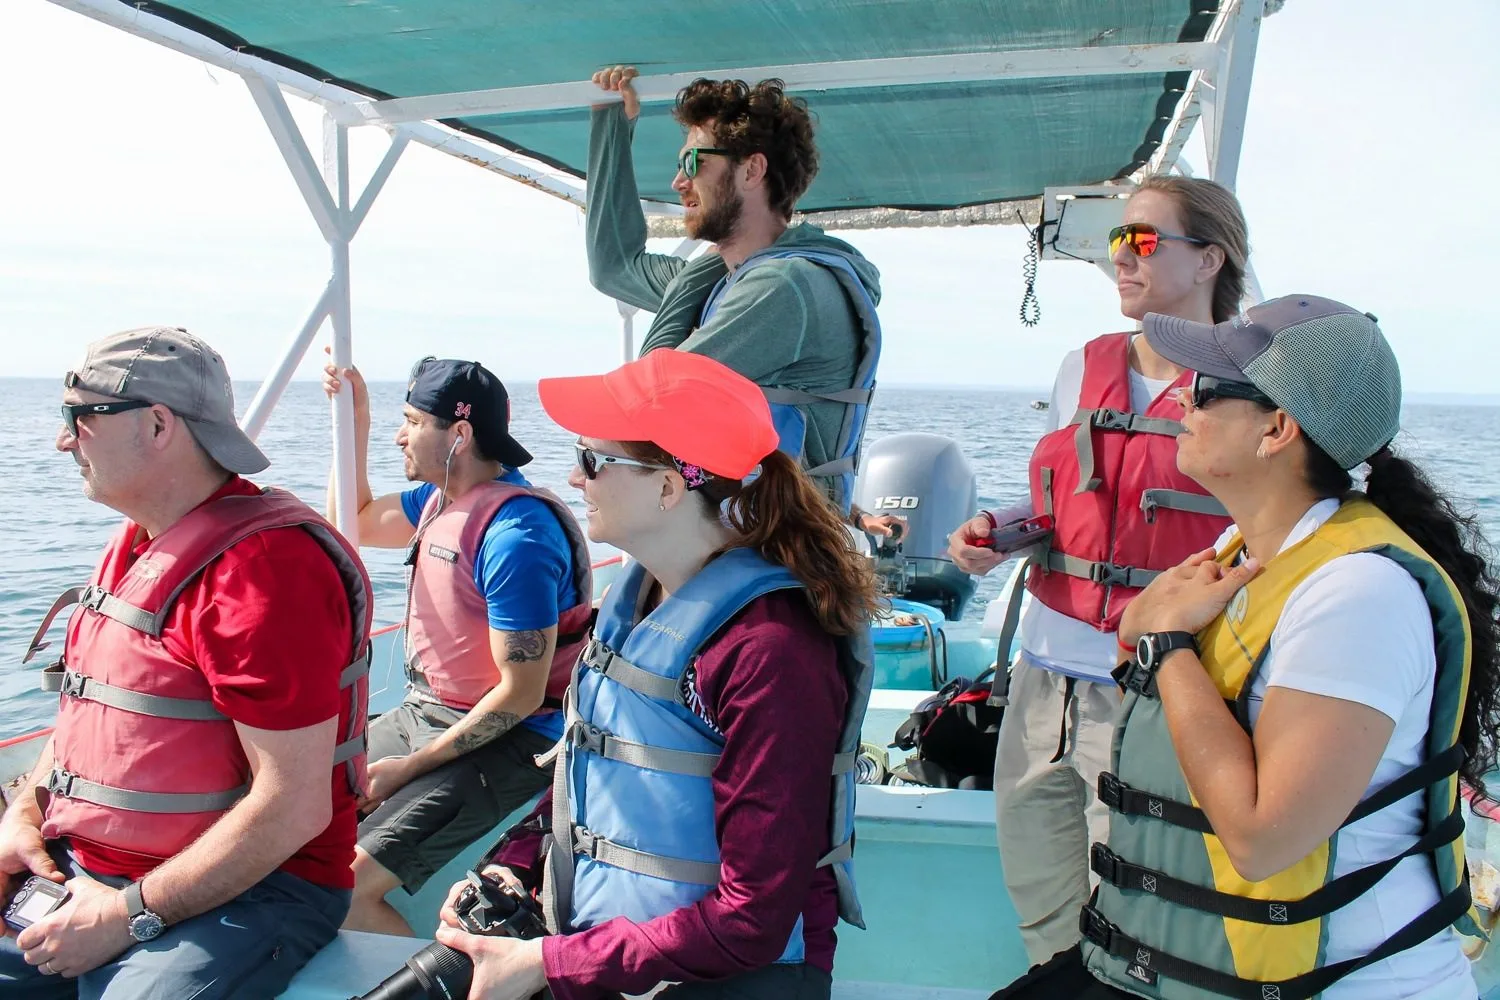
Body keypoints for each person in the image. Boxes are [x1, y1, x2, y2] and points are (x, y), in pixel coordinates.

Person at [995, 295, 1497, 1000]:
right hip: (1195, 973)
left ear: (1277, 429)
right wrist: (1147, 636)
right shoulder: (1238, 553)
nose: (1180, 407)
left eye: (1205, 392)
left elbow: (1265, 839)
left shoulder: (1358, 594)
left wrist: (1167, 643)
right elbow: (1144, 689)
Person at [430, 349, 879, 1000]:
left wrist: (549, 965)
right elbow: (590, 771)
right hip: (616, 957)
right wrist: (510, 868)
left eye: (591, 459)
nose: (572, 478)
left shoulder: (769, 651)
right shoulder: (634, 600)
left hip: (730, 979)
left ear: (670, 487)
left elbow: (753, 919)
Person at [0, 327, 371, 998]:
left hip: (255, 892)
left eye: (78, 418)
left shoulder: (264, 575)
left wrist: (123, 916)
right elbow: (94, 713)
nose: (63, 440)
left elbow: (292, 808)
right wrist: (23, 815)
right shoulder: (140, 543)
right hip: (90, 866)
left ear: (159, 424)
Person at [947, 176, 1250, 965]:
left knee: (1139, 922)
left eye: (1144, 240)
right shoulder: (1081, 368)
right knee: (1044, 914)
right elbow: (1060, 501)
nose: (1122, 257)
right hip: (1043, 686)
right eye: (1118, 239)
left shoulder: (1252, 385)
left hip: (1160, 689)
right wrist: (997, 532)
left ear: (1210, 258)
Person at [321, 356, 593, 936]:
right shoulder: (438, 501)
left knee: (342, 891)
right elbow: (355, 521)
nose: (402, 434)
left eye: (413, 421)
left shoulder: (517, 536)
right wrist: (355, 422)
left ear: (459, 435)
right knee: (277, 805)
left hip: (516, 738)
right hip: (429, 710)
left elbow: (519, 698)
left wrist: (407, 770)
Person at [586, 66, 893, 532]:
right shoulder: (726, 281)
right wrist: (612, 123)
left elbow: (652, 402)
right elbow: (614, 267)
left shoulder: (786, 287)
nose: (677, 182)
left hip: (780, 561)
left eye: (693, 163)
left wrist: (695, 276)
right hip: (744, 536)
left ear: (752, 170)